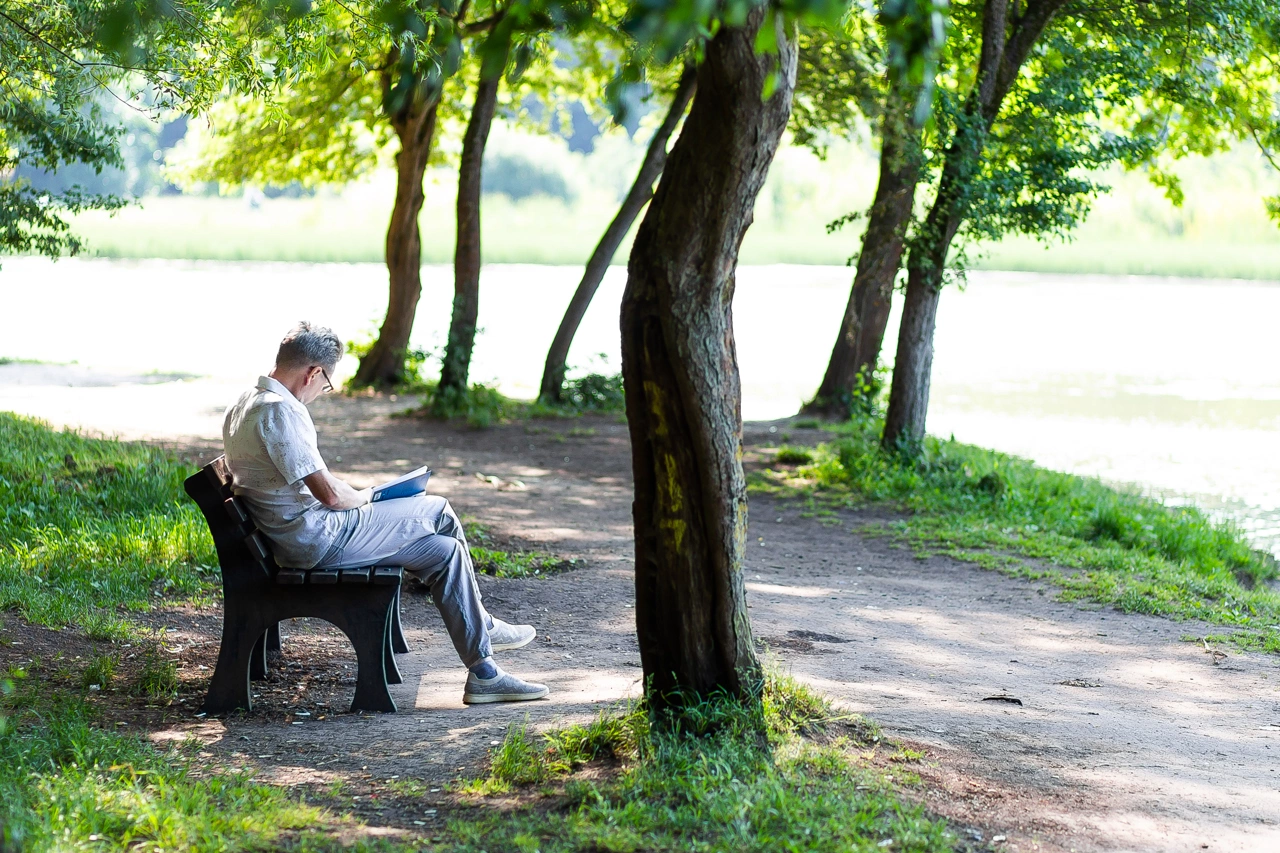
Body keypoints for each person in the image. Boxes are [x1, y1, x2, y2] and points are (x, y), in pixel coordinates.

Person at [221, 321, 548, 704]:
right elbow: (328, 495)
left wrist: (365, 496)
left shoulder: (245, 402)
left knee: (444, 552)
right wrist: (367, 498)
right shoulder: (280, 411)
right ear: (313, 373)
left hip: (296, 534)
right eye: (326, 385)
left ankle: (485, 673)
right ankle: (485, 627)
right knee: (438, 508)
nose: (322, 393)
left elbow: (312, 483)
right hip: (315, 539)